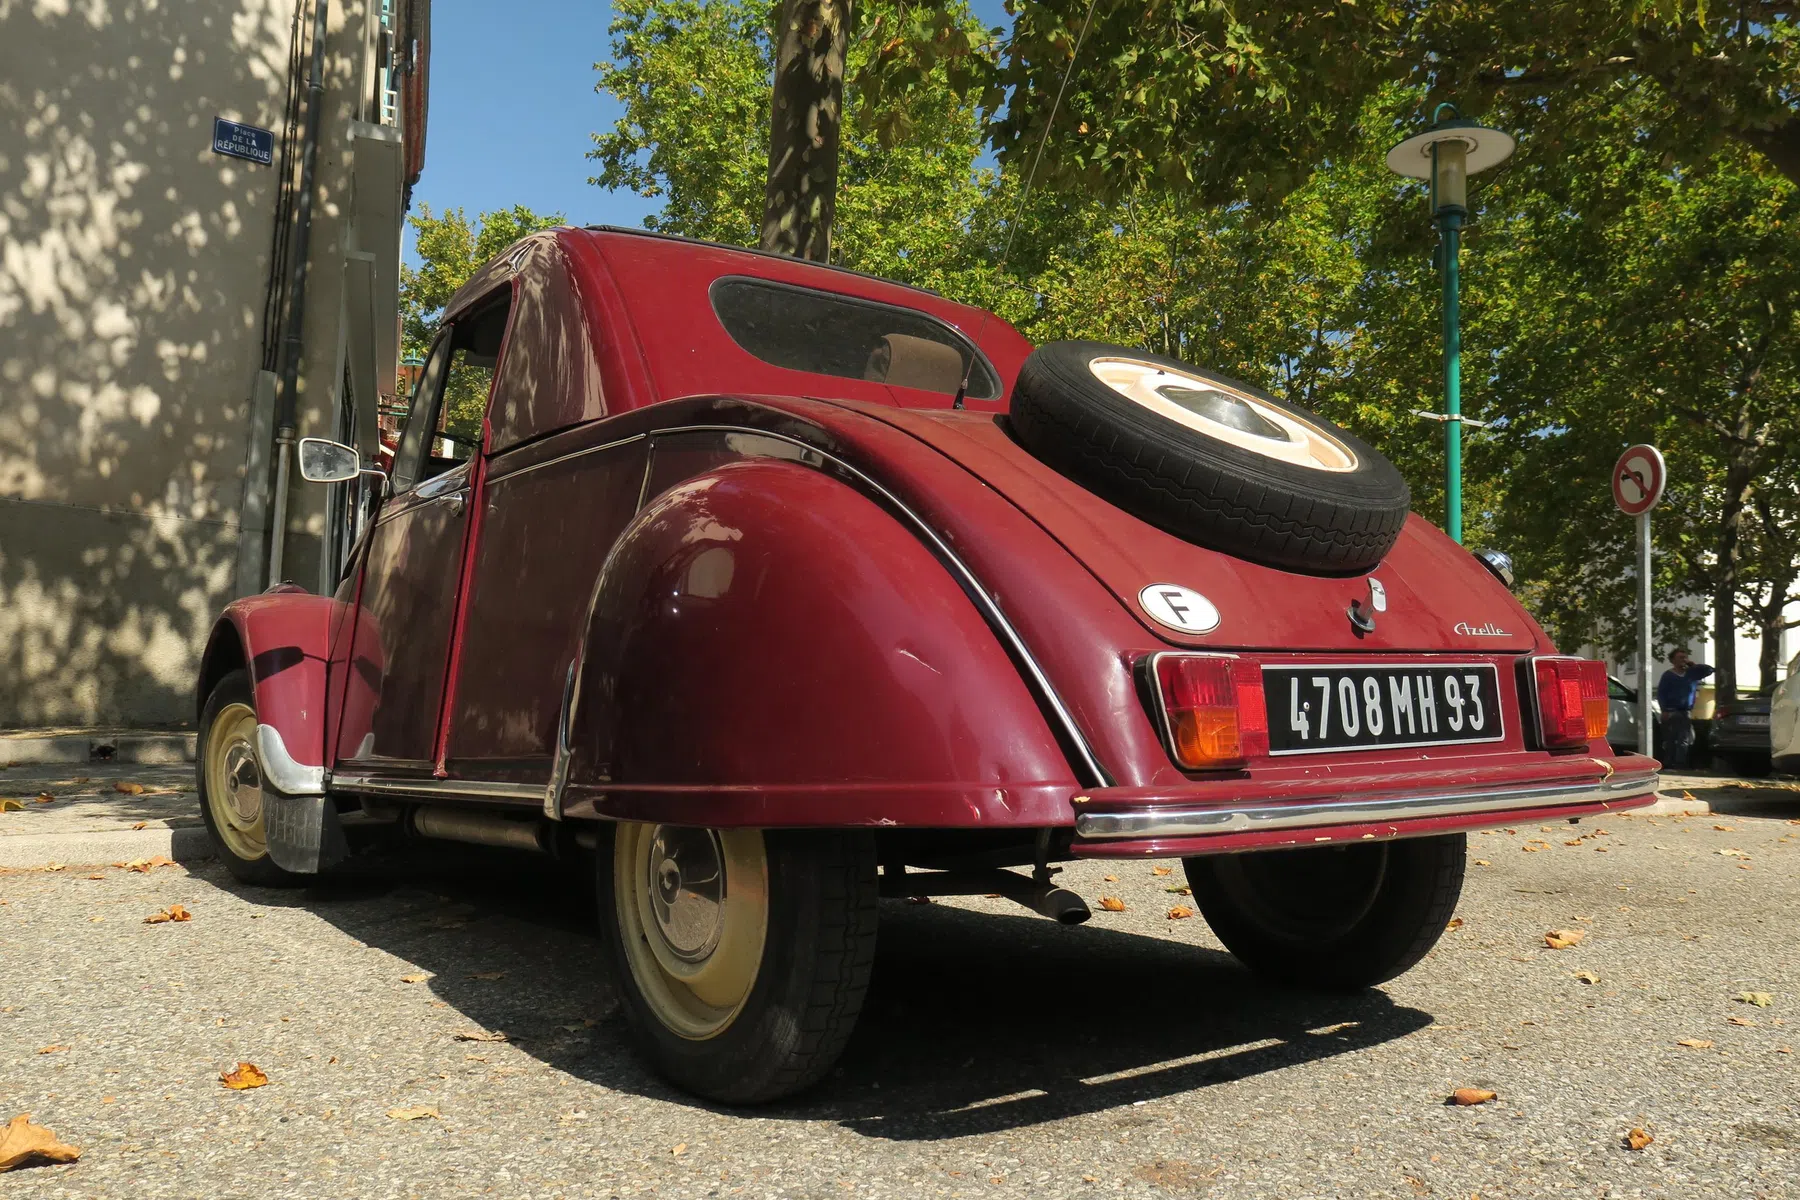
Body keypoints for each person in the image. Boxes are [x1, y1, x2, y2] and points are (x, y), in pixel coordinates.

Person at [1655, 648, 1715, 770]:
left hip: (1685, 711)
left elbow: (1709, 670)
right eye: (1680, 658)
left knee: (1684, 739)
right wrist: (1664, 710)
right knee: (1670, 739)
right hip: (1671, 711)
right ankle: (1669, 763)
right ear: (1673, 660)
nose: (1683, 660)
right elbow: (1661, 693)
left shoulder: (1691, 673)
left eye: (1685, 657)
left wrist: (1693, 665)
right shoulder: (1668, 676)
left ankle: (1680, 764)